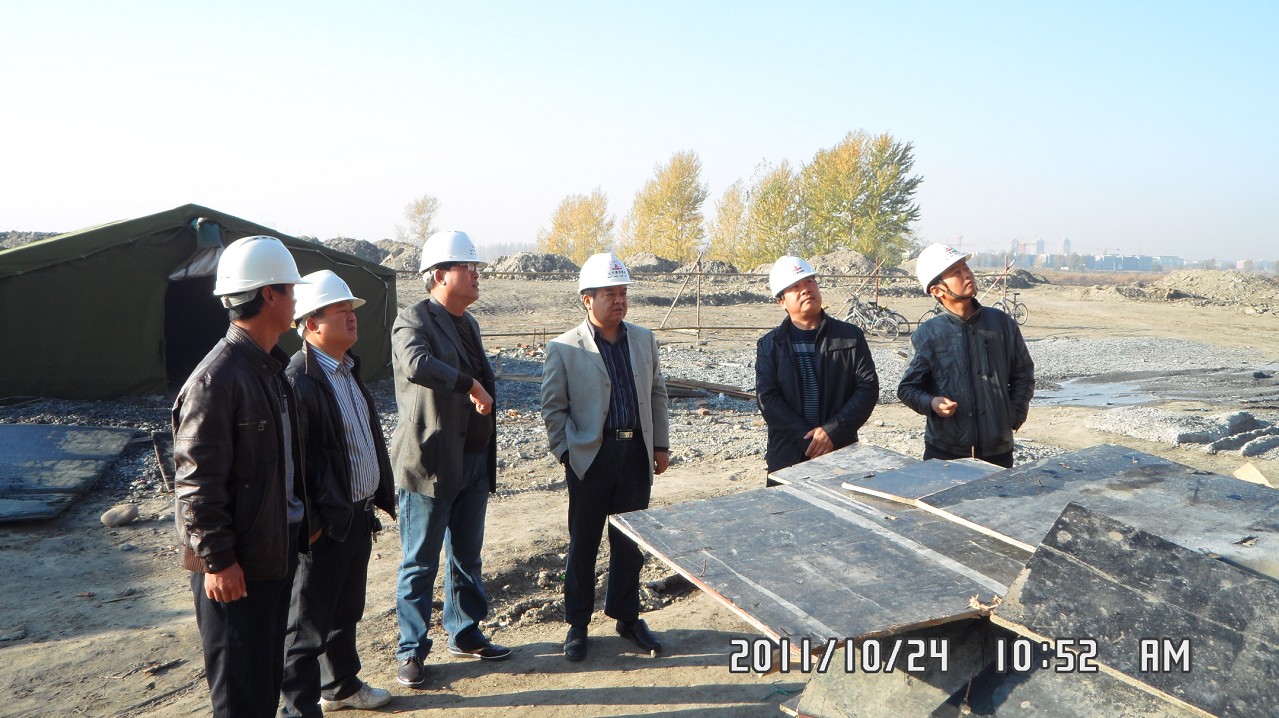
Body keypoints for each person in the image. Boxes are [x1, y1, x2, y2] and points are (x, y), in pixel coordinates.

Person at [173, 235, 312, 718]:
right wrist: (218, 559)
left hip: (268, 555)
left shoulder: (269, 369)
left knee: (261, 686)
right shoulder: (217, 380)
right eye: (290, 290)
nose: (296, 301)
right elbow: (196, 482)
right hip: (235, 567)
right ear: (269, 295)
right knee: (239, 697)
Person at [391, 230, 509, 689]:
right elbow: (416, 365)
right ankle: (411, 649)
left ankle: (464, 631)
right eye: (468, 267)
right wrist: (470, 384)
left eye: (476, 267)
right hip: (432, 462)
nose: (477, 274)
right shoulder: (412, 319)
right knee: (419, 561)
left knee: (466, 554)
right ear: (439, 274)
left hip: (473, 459)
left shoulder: (469, 323)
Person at [541, 252, 671, 662]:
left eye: (623, 293)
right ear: (587, 299)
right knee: (584, 542)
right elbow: (553, 407)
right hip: (590, 458)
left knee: (630, 542)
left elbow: (657, 394)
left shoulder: (643, 339)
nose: (619, 301)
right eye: (609, 294)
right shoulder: (565, 347)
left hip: (635, 455)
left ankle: (627, 618)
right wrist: (567, 452)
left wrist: (660, 445)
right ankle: (577, 624)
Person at [280, 271, 396, 715]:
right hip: (324, 525)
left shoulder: (346, 369)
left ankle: (341, 686)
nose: (352, 317)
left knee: (345, 611)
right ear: (311, 323)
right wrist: (311, 526)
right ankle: (296, 708)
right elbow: (294, 463)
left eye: (352, 310)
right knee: (306, 626)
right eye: (341, 311)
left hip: (355, 516)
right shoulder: (299, 380)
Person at [897, 244, 1034, 467]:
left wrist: (1012, 416)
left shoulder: (1001, 324)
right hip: (945, 452)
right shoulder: (927, 334)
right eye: (956, 272)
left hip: (997, 452)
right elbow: (907, 389)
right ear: (937, 291)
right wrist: (931, 402)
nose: (967, 275)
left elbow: (1023, 375)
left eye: (966, 268)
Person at [755, 256, 880, 482]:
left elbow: (867, 388)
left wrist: (832, 431)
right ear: (781, 301)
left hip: (841, 452)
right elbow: (768, 399)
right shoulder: (770, 345)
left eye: (809, 282)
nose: (806, 290)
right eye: (795, 287)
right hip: (788, 457)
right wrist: (808, 439)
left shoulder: (850, 336)